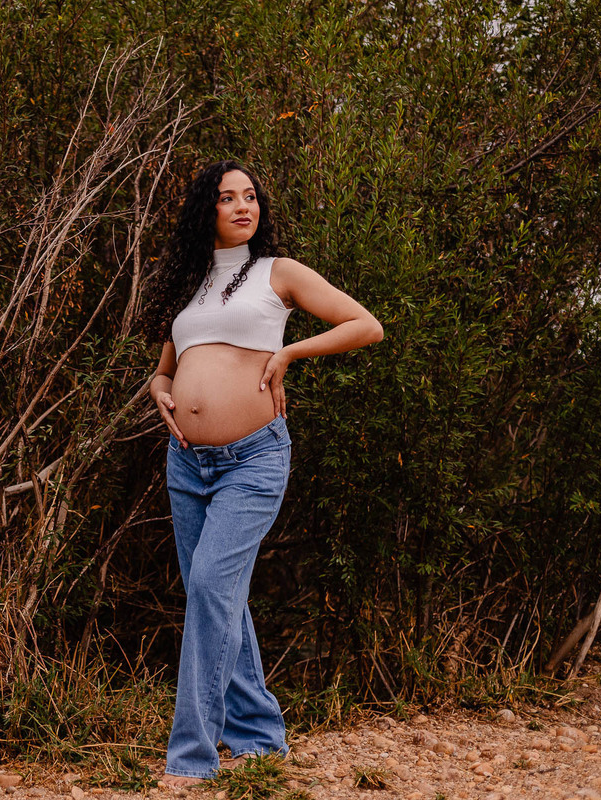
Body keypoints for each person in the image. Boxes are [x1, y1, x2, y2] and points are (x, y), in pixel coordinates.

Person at [143, 160, 383, 786]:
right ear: (207, 210)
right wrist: (158, 385)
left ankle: (191, 759)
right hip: (187, 464)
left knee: (210, 590)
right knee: (217, 595)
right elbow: (169, 366)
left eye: (250, 196)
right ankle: (258, 735)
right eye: (227, 198)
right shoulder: (192, 284)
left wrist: (291, 351)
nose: (243, 206)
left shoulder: (279, 273)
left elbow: (366, 325)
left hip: (254, 457)